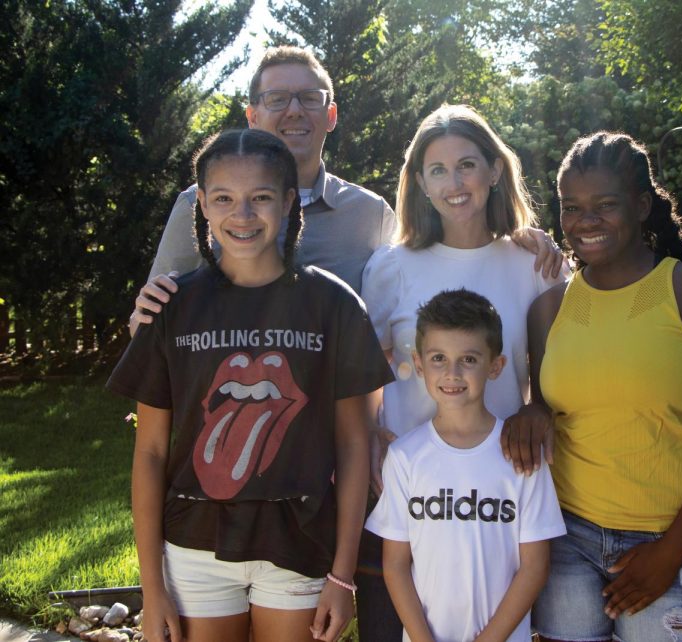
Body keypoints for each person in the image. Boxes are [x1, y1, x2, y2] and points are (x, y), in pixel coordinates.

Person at [107, 129, 394, 642]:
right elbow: (150, 452)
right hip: (194, 548)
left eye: (260, 197)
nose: (242, 214)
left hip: (300, 545)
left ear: (288, 202)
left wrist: (342, 574)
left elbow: (355, 443)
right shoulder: (173, 308)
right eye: (224, 198)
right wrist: (153, 589)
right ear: (202, 205)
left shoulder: (335, 305)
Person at [501, 131, 682, 642]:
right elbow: (549, 403)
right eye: (572, 207)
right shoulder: (548, 307)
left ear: (641, 205)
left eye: (605, 205)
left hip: (667, 541)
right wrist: (533, 410)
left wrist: (671, 552)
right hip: (567, 538)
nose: (585, 221)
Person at [130, 47, 562, 335]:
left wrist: (514, 236)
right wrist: (144, 316)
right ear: (253, 115)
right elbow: (149, 327)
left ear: (331, 114)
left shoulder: (370, 215)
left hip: (334, 441)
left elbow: (429, 270)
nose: (295, 110)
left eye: (309, 98)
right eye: (277, 98)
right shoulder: (200, 205)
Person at [358, 104, 569, 640]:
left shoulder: (533, 263)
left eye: (467, 165)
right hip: (415, 490)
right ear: (420, 185)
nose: (454, 183)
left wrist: (535, 408)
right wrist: (368, 433)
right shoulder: (393, 265)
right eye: (437, 170)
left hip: (502, 486)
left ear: (495, 171)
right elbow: (359, 366)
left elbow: (560, 365)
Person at [366, 289, 566, 642]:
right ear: (420, 362)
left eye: (469, 360)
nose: (452, 373)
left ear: (495, 366)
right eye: (439, 358)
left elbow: (535, 566)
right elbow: (395, 565)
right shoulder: (405, 457)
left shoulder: (521, 456)